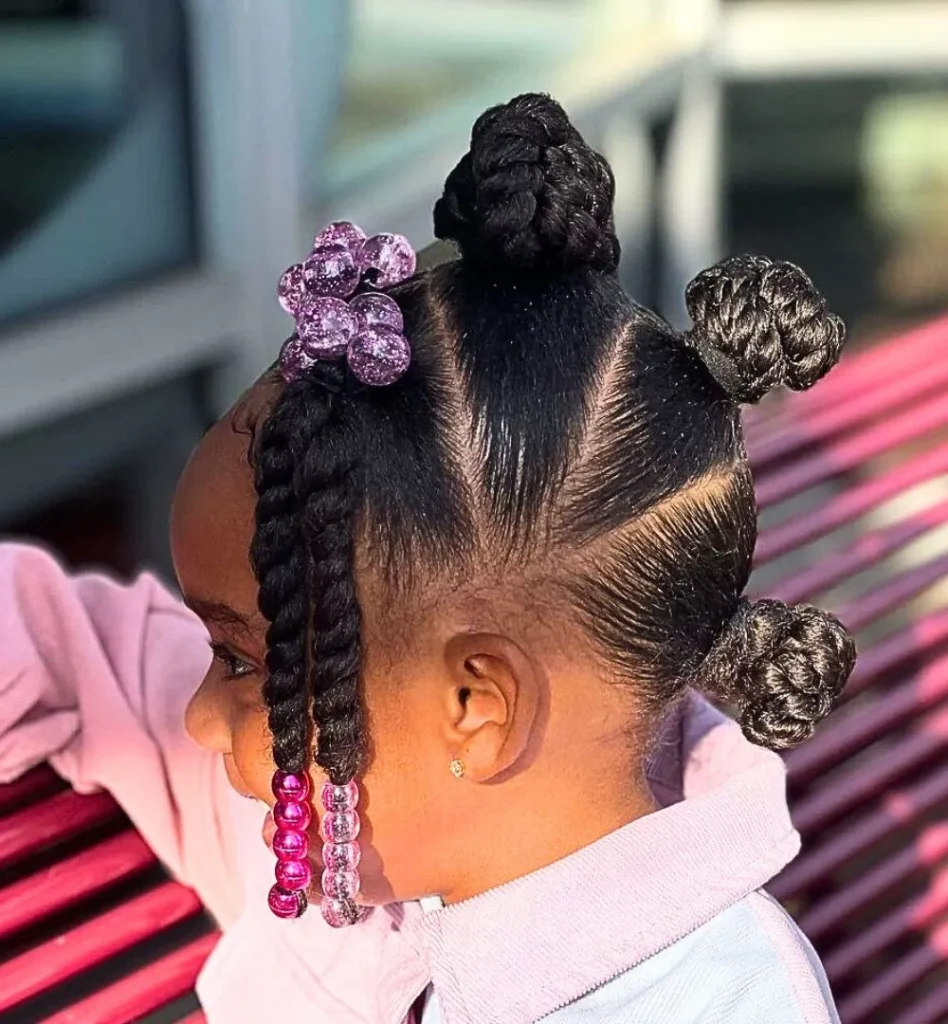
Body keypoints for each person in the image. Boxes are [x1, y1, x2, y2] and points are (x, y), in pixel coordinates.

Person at [0, 94, 855, 1023]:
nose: (199, 720)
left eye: (243, 663)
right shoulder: (351, 858)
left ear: (473, 705)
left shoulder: (722, 1002)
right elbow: (83, 649)